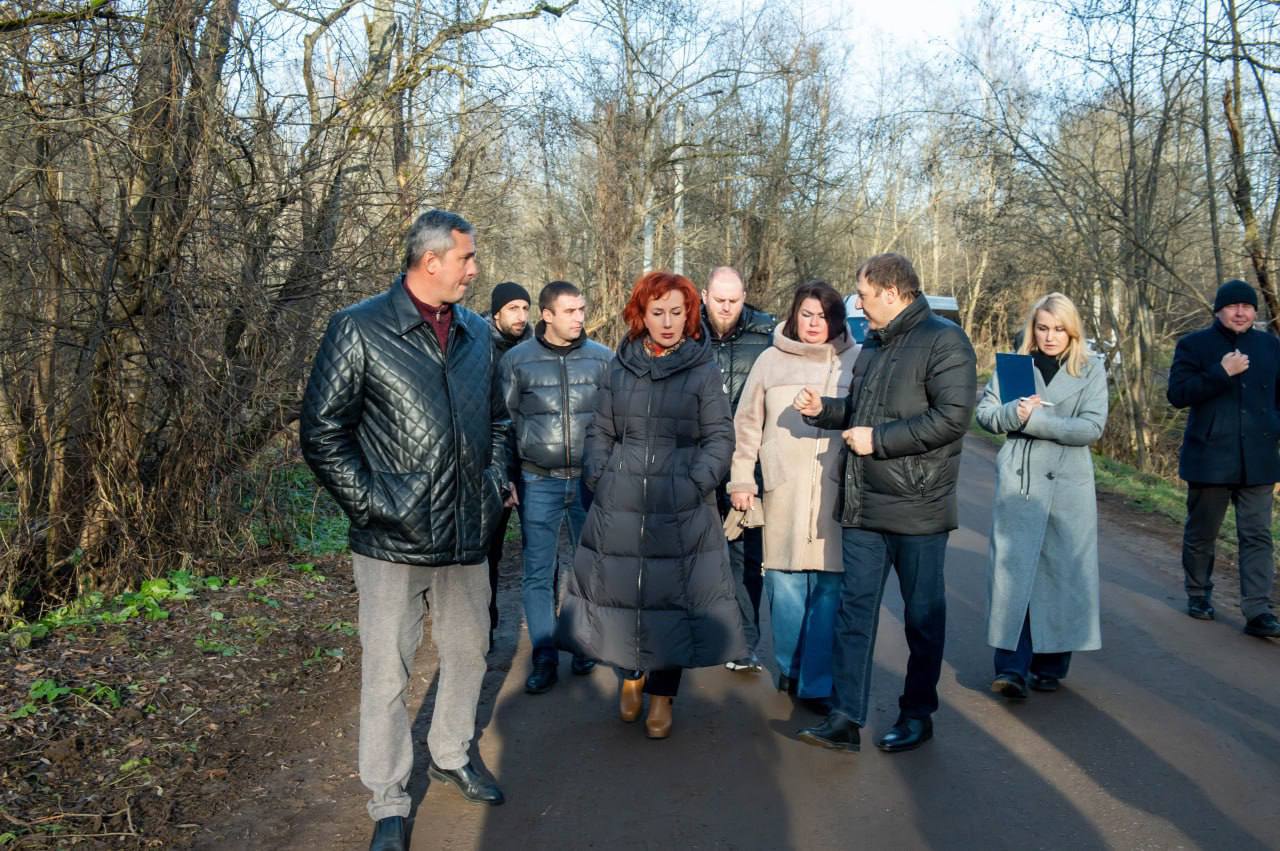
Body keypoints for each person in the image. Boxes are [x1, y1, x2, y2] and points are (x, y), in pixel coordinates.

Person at [300, 210, 510, 851]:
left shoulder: (477, 333)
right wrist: (374, 504)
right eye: (467, 259)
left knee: (470, 653)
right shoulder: (358, 327)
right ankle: (389, 799)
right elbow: (321, 432)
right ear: (431, 262)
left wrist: (492, 485)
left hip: (466, 536)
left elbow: (499, 422)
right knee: (387, 675)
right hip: (391, 540)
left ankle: (450, 754)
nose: (475, 270)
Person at [793, 253, 976, 754]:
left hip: (919, 506)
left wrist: (881, 440)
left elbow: (953, 418)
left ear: (891, 294)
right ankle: (845, 716)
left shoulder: (945, 341)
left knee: (922, 617)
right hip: (865, 504)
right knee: (855, 612)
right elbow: (861, 411)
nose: (857, 302)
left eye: (864, 294)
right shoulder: (875, 343)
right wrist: (825, 411)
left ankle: (918, 714)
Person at [558, 270, 745, 739]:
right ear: (640, 314)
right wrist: (600, 476)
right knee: (625, 596)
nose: (668, 322)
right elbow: (600, 430)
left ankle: (663, 697)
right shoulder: (619, 367)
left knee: (671, 602)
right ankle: (631, 676)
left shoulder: (702, 369)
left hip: (681, 504)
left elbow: (720, 437)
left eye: (676, 313)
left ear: (690, 315)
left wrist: (695, 483)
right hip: (621, 502)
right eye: (657, 312)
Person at [727, 281, 859, 714]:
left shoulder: (854, 362)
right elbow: (746, 425)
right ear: (793, 315)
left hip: (833, 494)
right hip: (782, 489)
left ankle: (816, 681)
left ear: (836, 319)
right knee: (783, 587)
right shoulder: (769, 359)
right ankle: (789, 665)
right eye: (806, 314)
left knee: (827, 587)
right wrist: (742, 480)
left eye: (822, 315)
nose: (814, 323)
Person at [976, 293, 1108, 699]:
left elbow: (1091, 428)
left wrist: (1037, 420)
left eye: (1059, 329)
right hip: (1021, 481)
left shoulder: (1091, 368)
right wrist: (1013, 414)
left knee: (1062, 572)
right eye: (1043, 327)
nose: (1050, 337)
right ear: (1033, 328)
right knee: (1014, 573)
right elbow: (985, 415)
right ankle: (1012, 668)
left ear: (1073, 332)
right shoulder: (1013, 366)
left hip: (1068, 485)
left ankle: (1051, 663)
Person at [499, 281, 612, 693]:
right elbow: (503, 424)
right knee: (537, 573)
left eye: (582, 309)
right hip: (537, 481)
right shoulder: (517, 361)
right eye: (570, 311)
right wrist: (506, 476)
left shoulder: (603, 360)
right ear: (546, 315)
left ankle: (582, 642)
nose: (579, 317)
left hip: (590, 482)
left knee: (589, 570)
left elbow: (616, 424)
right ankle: (544, 656)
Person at [1167, 279, 1280, 638]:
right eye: (1233, 306)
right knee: (1203, 533)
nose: (1241, 312)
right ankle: (1199, 594)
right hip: (1210, 458)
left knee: (1258, 535)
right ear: (1218, 309)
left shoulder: (1270, 346)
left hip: (1259, 459)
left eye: (1247, 307)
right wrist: (1220, 372)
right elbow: (1178, 394)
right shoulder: (1194, 345)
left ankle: (1258, 610)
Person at [703, 266, 777, 673]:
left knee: (746, 556)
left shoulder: (768, 336)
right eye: (719, 300)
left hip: (748, 464)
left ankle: (744, 643)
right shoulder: (686, 333)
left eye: (734, 300)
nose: (727, 308)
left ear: (744, 295)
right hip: (696, 461)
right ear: (704, 295)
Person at [483, 281, 533, 644]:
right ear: (496, 312)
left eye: (525, 308)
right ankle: (485, 625)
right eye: (513, 308)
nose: (520, 316)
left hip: (532, 464)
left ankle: (547, 635)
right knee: (489, 550)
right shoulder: (477, 347)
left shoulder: (536, 348)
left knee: (540, 550)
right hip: (494, 462)